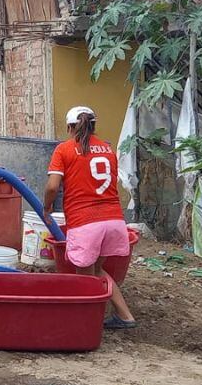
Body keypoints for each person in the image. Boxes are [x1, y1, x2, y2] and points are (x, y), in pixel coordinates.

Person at [43, 106, 136, 329]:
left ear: (69, 127)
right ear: (93, 125)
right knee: (96, 270)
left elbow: (53, 186)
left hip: (85, 222)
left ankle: (85, 323)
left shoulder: (64, 150)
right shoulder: (108, 150)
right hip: (114, 220)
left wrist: (46, 208)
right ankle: (125, 316)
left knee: (83, 278)